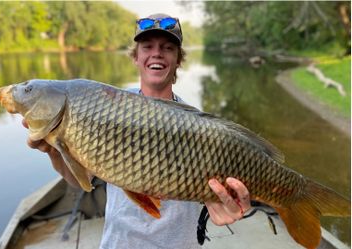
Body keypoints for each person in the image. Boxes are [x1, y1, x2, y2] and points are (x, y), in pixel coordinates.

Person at [23, 13, 251, 249]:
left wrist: (225, 206)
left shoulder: (197, 125)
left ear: (178, 59)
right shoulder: (106, 107)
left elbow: (217, 194)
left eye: (168, 47)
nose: (157, 53)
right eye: (147, 46)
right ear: (136, 57)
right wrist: (53, 152)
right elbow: (81, 179)